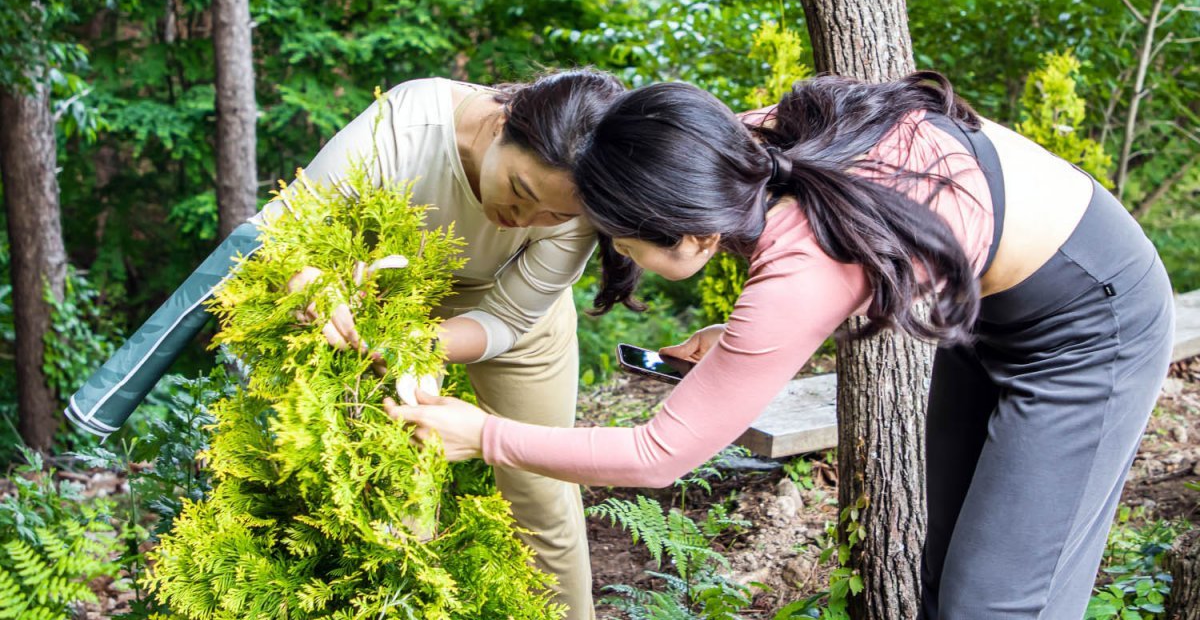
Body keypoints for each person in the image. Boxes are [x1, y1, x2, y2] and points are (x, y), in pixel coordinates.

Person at [390, 73, 1176, 619]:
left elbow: (658, 456)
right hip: (991, 311)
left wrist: (482, 433)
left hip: (1092, 317)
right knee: (947, 577)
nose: (626, 261)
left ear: (688, 230)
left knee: (998, 604)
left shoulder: (798, 268)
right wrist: (741, 342)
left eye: (628, 244)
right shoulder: (733, 147)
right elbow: (848, 256)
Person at [70, 69, 629, 620]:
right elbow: (291, 230)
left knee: (540, 487)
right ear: (503, 125)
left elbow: (508, 317)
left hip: (510, 321)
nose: (524, 220)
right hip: (382, 295)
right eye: (521, 191)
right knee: (388, 488)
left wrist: (420, 344)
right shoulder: (408, 123)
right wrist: (312, 281)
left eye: (553, 214)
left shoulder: (581, 202)